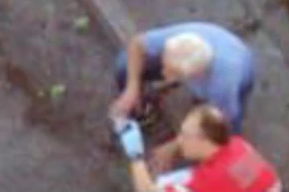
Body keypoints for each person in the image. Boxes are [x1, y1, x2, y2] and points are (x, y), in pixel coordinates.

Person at [110, 22, 257, 166]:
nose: (163, 73)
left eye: (170, 72)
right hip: (216, 47)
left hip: (239, 71)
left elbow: (220, 121)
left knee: (224, 135)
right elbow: (137, 43)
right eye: (165, 66)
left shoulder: (222, 86)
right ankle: (142, 109)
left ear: (191, 76)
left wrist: (174, 147)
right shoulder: (179, 41)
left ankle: (225, 164)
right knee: (124, 64)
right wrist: (132, 87)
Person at [118, 105, 282, 192]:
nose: (179, 141)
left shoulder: (210, 181)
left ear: (204, 140)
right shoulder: (237, 144)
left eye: (185, 135)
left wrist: (136, 156)